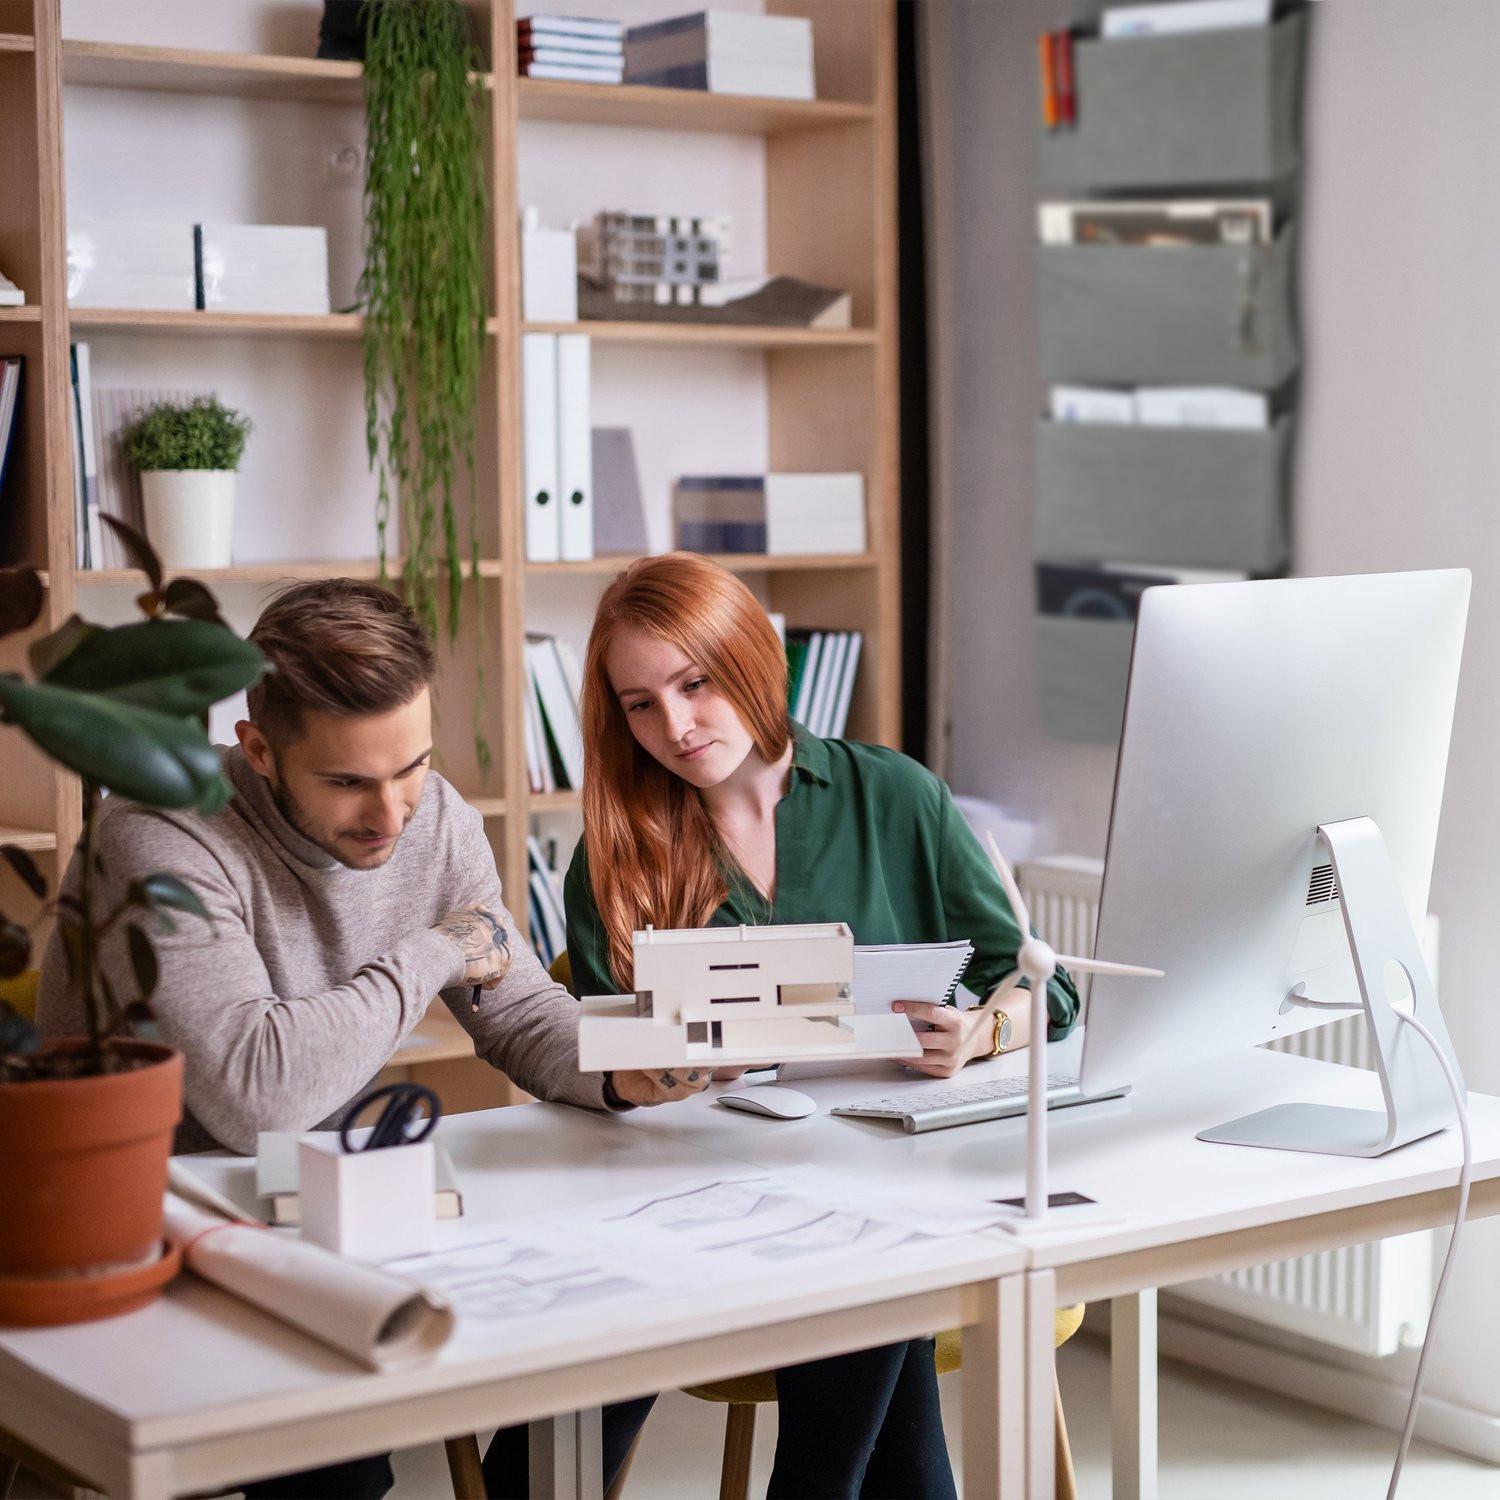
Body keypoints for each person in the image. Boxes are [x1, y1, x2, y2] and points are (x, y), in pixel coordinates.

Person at [36, 578, 703, 1500]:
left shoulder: (437, 820)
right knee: (335, 1459)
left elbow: (510, 1008)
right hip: (147, 1229)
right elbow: (254, 1096)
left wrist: (630, 1069)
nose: (393, 816)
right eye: (348, 781)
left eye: (411, 767)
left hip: (328, 1216)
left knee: (596, 1333)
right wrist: (432, 952)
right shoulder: (164, 832)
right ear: (259, 750)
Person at [486, 553, 1080, 1499]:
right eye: (640, 704)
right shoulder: (617, 848)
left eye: (695, 683)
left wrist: (978, 1033)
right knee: (877, 1293)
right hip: (683, 1212)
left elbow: (1040, 986)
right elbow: (601, 1066)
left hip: (866, 1190)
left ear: (755, 659)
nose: (675, 727)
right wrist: (677, 1065)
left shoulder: (895, 796)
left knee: (874, 1271)